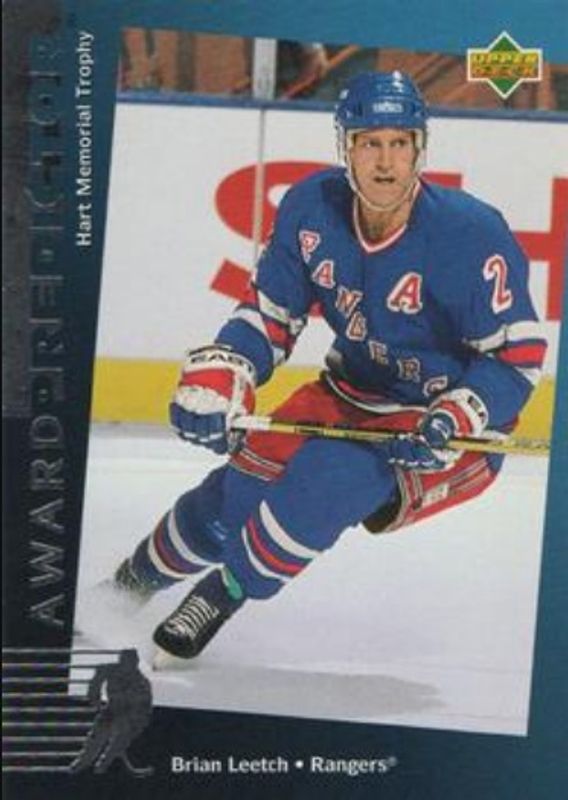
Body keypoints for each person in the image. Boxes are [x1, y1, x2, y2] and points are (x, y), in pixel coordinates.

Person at [111, 71, 547, 662]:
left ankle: (223, 592)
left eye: (400, 143)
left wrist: (456, 415)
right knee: (232, 498)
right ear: (346, 146)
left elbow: (517, 359)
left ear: (421, 148)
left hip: (440, 422)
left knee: (328, 478)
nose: (386, 162)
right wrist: (227, 372)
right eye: (370, 143)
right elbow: (270, 315)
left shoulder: (470, 233)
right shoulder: (310, 207)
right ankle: (126, 586)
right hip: (348, 393)